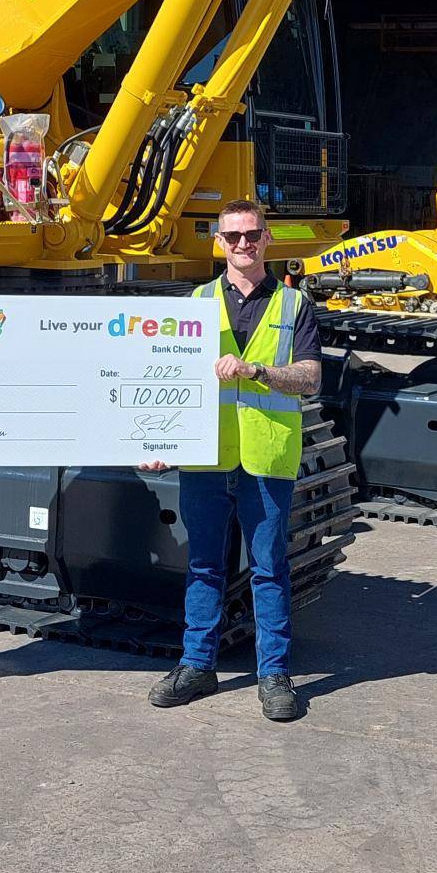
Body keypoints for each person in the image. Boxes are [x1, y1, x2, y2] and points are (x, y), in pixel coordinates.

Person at [146, 198, 322, 723]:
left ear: (267, 239)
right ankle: (197, 665)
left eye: (252, 234)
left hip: (266, 458)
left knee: (269, 568)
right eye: (233, 236)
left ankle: (274, 675)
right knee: (203, 565)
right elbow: (164, 379)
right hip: (206, 456)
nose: (243, 244)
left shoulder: (294, 305)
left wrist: (257, 371)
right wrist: (156, 437)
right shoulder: (196, 302)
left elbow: (311, 378)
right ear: (218, 243)